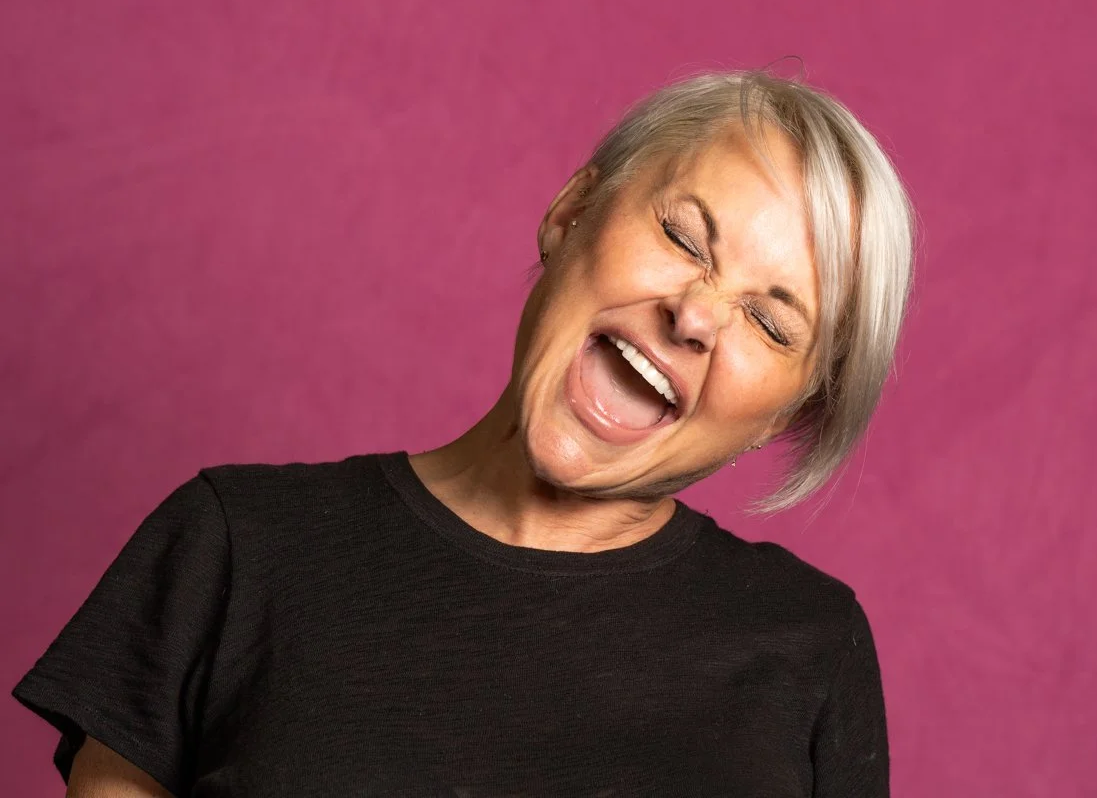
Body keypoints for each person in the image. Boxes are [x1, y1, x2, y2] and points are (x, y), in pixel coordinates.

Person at [12, 69, 917, 797]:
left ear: (790, 415)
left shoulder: (809, 645)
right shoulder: (237, 545)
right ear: (571, 217)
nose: (697, 315)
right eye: (684, 236)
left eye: (770, 322)